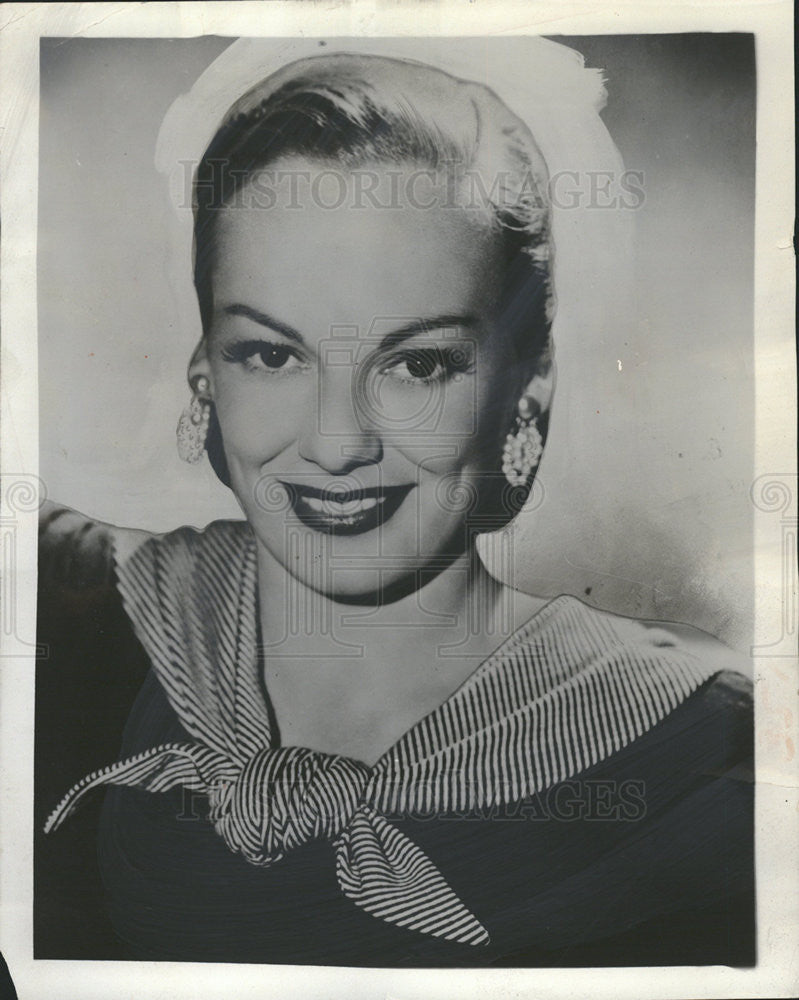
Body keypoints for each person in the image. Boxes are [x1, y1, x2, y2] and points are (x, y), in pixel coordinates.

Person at [34, 38, 754, 967]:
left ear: (524, 393)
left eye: (416, 365)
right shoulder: (81, 615)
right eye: (272, 354)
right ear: (206, 372)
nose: (339, 444)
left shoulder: (705, 753)